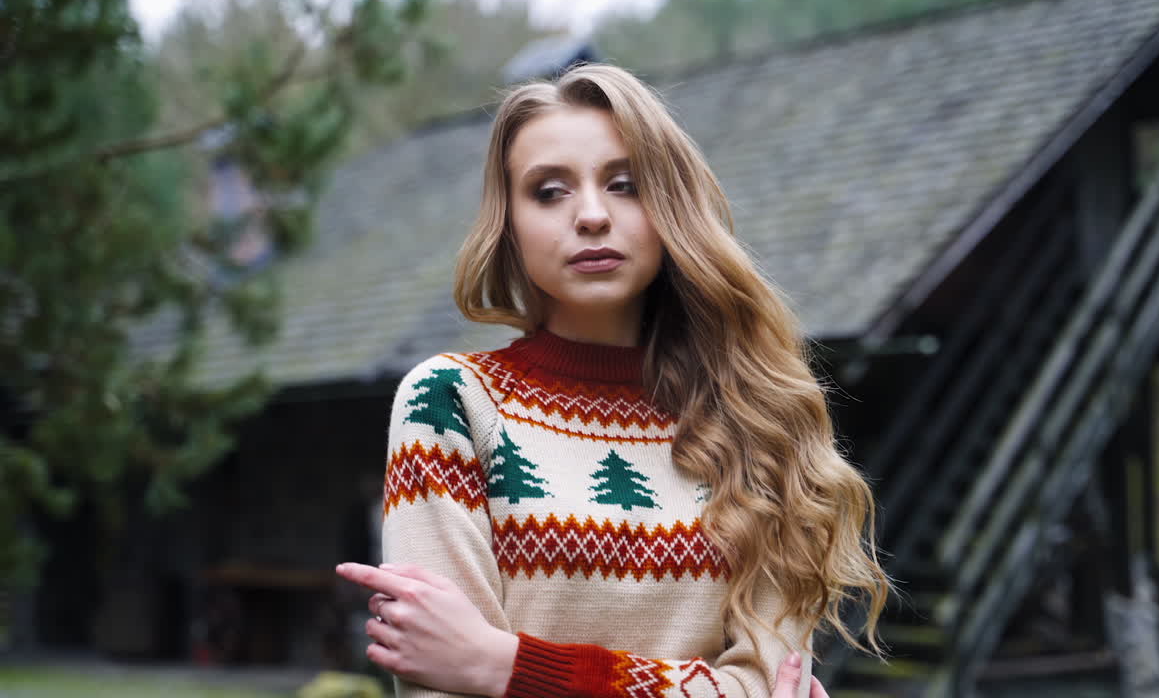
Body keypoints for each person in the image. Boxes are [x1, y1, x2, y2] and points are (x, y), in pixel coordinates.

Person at [336, 63, 889, 698]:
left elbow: (766, 686)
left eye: (625, 185)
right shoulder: (450, 405)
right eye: (549, 191)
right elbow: (438, 684)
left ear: (670, 208)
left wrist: (505, 666)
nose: (592, 215)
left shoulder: (757, 421)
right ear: (509, 225)